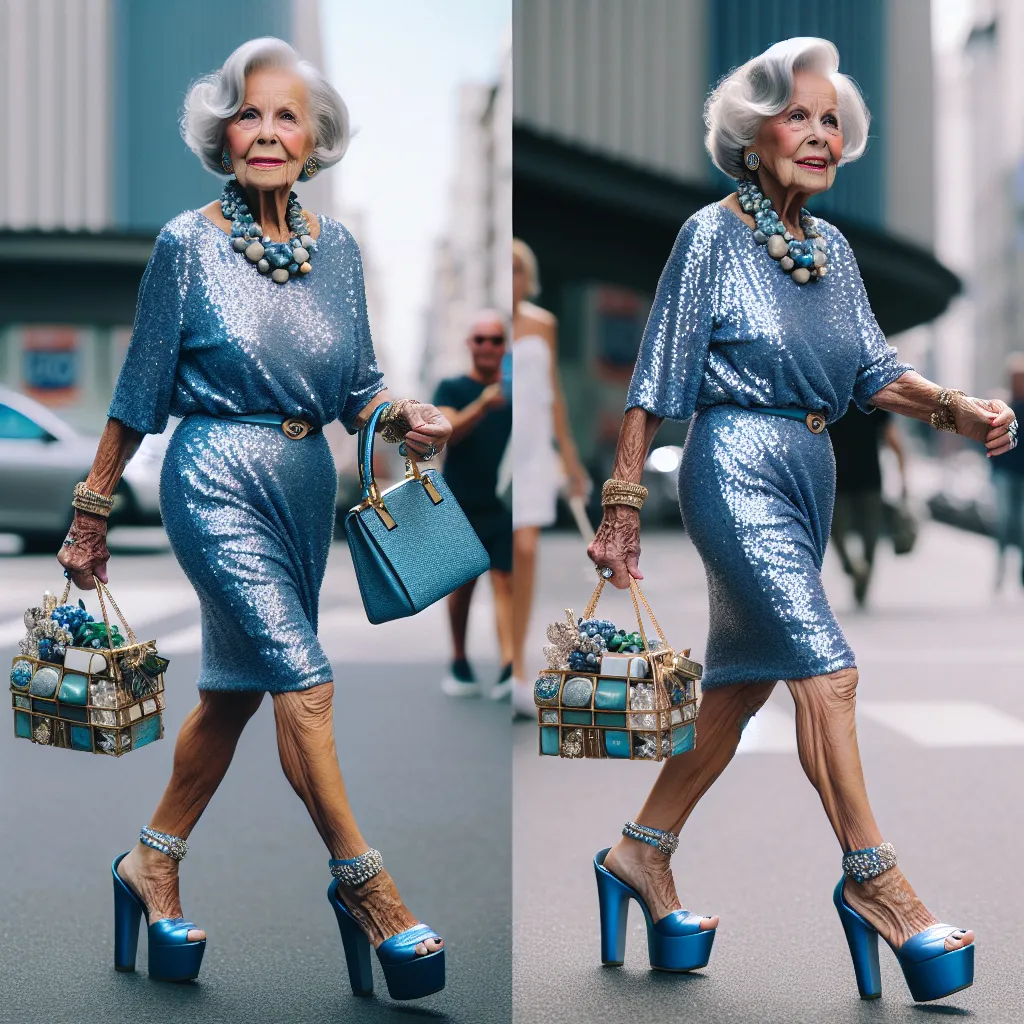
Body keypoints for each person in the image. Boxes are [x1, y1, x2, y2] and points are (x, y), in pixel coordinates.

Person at [586, 38, 1017, 1002]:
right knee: (828, 669)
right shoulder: (710, 235)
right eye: (799, 116)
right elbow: (656, 376)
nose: (820, 136)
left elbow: (872, 371)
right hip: (733, 464)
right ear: (752, 134)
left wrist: (958, 405)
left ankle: (637, 856)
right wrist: (620, 503)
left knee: (738, 690)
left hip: (810, 470)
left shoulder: (834, 250)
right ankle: (880, 886)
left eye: (832, 121)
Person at [56, 38, 450, 999]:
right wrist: (90, 511)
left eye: (285, 115)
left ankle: (151, 863)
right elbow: (139, 389)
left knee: (233, 693)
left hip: (305, 481)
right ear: (222, 133)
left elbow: (357, 385)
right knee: (302, 675)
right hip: (214, 474)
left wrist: (399, 415)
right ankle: (368, 887)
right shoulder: (186, 244)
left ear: (314, 140)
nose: (265, 131)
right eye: (248, 113)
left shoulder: (340, 250)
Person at [510, 238, 589, 717]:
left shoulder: (544, 325)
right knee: (503, 559)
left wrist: (571, 460)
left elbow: (555, 395)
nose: (511, 278)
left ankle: (519, 667)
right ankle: (506, 662)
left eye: (518, 270)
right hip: (502, 451)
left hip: (536, 453)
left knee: (526, 550)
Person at [432, 311, 513, 698]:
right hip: (460, 504)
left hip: (502, 507)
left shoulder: (515, 392)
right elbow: (448, 434)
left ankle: (508, 667)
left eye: (495, 340)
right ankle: (459, 662)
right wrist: (483, 405)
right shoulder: (451, 388)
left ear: (504, 346)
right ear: (469, 344)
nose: (487, 347)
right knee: (461, 588)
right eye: (480, 339)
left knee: (505, 584)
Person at [828, 406, 908, 606]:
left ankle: (860, 581)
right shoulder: (834, 397)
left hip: (866, 480)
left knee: (866, 536)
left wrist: (904, 477)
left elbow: (891, 437)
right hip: (842, 481)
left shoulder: (874, 401)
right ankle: (853, 569)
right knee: (840, 532)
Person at [992, 353, 1024, 590]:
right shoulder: (1003, 407)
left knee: (1021, 524)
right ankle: (1000, 571)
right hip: (1004, 473)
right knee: (1003, 521)